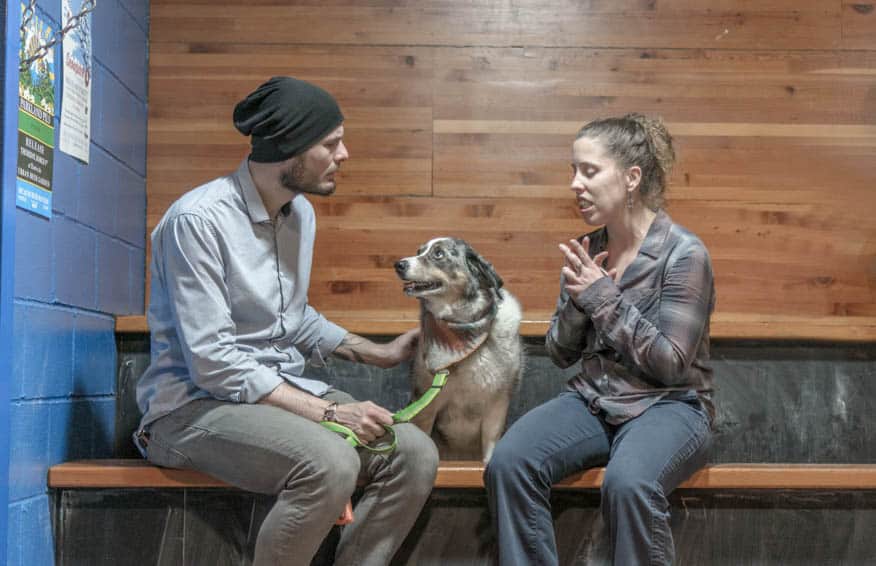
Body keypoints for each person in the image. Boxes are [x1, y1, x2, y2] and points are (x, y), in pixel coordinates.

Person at [134, 76, 439, 566]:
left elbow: (290, 318)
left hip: (272, 393)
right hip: (188, 411)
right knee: (329, 462)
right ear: (289, 150)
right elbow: (213, 362)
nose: (345, 155)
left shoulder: (298, 215)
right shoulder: (197, 221)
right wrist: (332, 414)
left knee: (415, 455)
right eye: (331, 143)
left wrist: (379, 354)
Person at [484, 114, 715, 566]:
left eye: (589, 171)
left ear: (631, 178)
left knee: (628, 483)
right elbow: (559, 352)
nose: (575, 184)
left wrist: (602, 297)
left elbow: (670, 363)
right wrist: (576, 303)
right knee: (509, 463)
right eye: (573, 170)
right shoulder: (588, 250)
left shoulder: (685, 254)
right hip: (595, 399)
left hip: (672, 404)